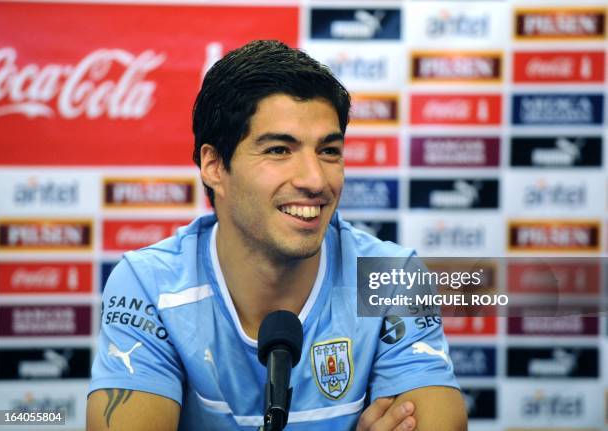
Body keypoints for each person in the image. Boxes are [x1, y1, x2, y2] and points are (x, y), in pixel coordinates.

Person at [87, 40, 467, 431]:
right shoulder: (149, 284)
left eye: (329, 151)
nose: (315, 180)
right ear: (215, 165)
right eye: (279, 150)